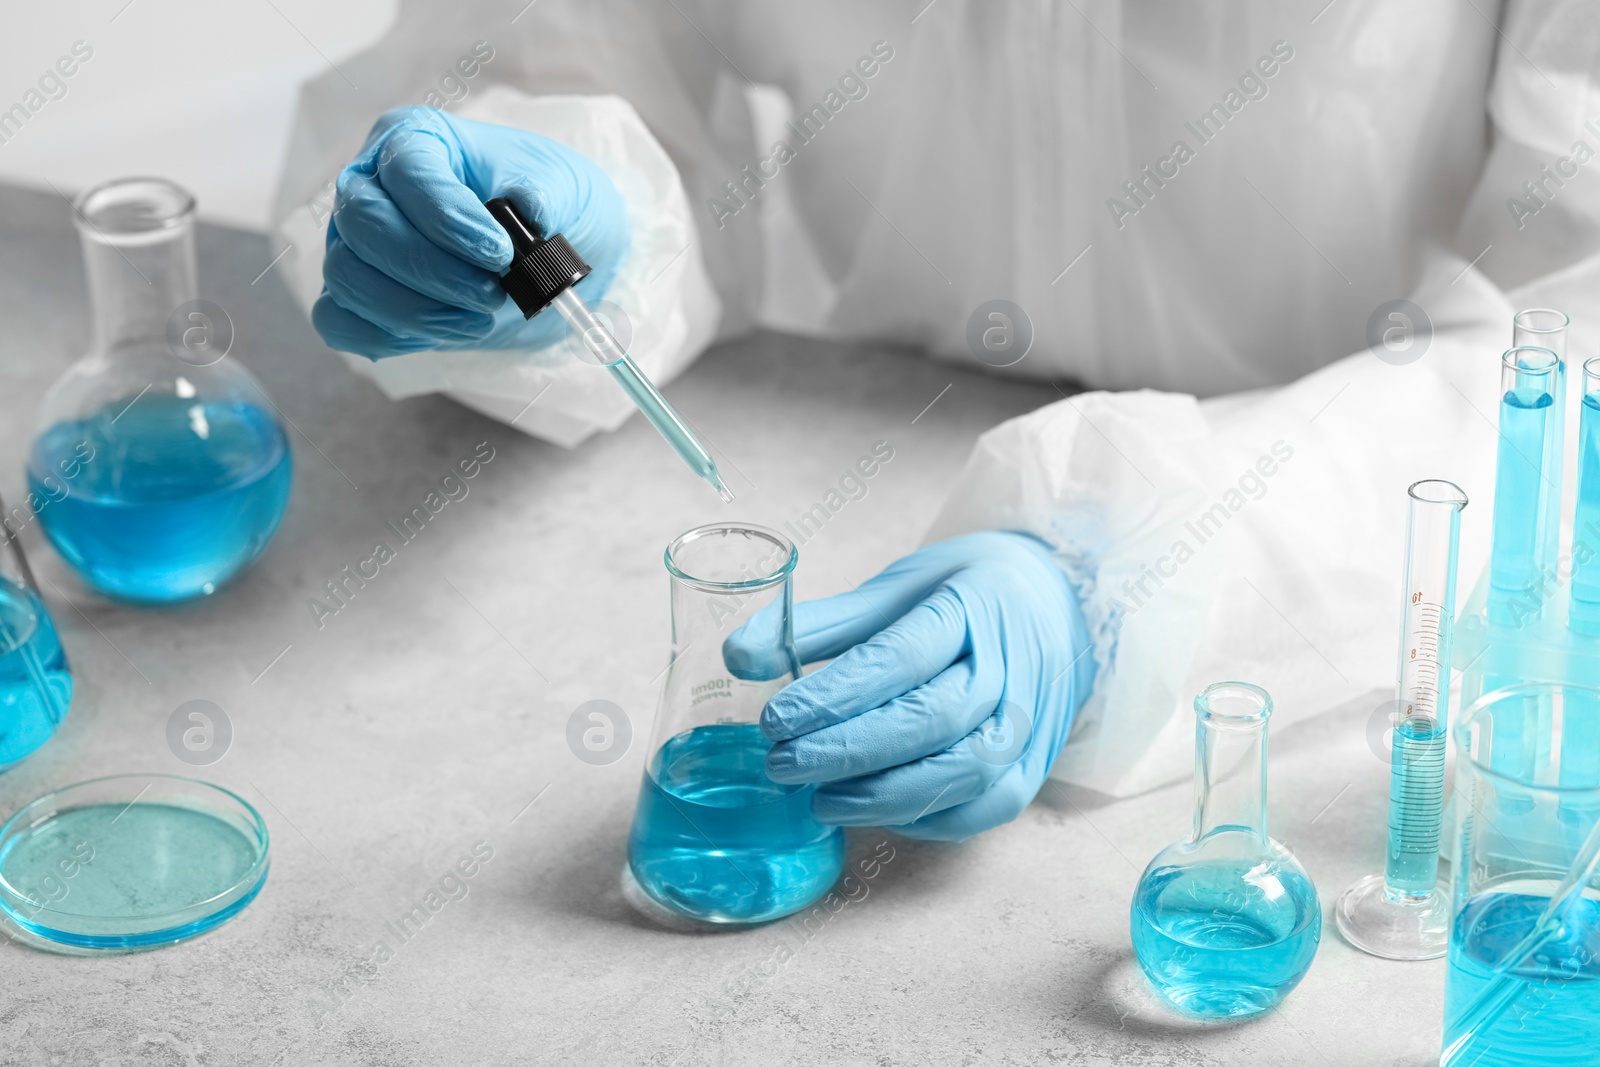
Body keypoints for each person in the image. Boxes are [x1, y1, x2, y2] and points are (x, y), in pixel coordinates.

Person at [271, 0, 1600, 838]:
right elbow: (567, 43)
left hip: (1344, 565)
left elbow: (1571, 327)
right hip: (873, 449)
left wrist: (1135, 570)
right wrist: (554, 230)